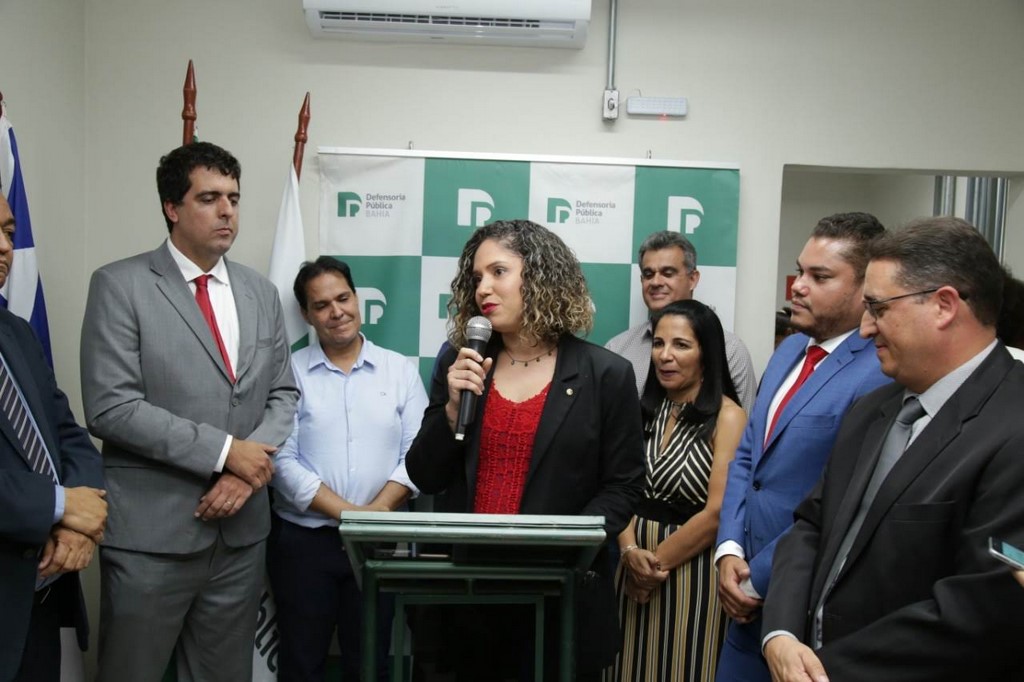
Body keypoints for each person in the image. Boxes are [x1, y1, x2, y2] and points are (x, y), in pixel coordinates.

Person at [762, 217, 1024, 681]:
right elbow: (812, 525)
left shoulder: (1014, 423)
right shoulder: (872, 409)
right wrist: (780, 634)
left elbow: (986, 606)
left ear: (944, 305)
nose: (865, 329)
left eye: (878, 308)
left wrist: (824, 670)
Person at [80, 142, 299, 681]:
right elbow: (111, 406)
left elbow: (283, 394)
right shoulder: (120, 284)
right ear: (171, 207)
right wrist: (225, 453)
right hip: (152, 537)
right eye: (209, 198)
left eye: (234, 198)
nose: (227, 211)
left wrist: (245, 473)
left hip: (241, 537)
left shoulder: (260, 292)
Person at [405, 219, 645, 680]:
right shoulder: (461, 361)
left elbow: (624, 486)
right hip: (464, 597)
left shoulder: (605, 374)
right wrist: (452, 410)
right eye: (476, 277)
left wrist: (564, 545)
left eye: (498, 272)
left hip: (558, 595)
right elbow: (425, 475)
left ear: (539, 276)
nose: (483, 288)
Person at [714, 212, 890, 682]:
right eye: (800, 271)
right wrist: (728, 548)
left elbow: (842, 498)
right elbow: (748, 456)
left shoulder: (879, 371)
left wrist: (758, 577)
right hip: (740, 601)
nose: (798, 286)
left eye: (821, 276)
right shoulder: (790, 349)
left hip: (803, 607)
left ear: (866, 288)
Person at [268, 257, 427, 681]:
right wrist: (353, 516)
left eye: (343, 298)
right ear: (306, 315)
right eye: (322, 305)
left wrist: (376, 515)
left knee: (370, 664)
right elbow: (281, 460)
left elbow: (418, 455)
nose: (336, 312)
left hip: (379, 543)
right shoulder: (289, 373)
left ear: (357, 299)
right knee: (302, 663)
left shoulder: (399, 371)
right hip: (304, 545)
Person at [606, 300, 746, 682]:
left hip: (689, 573)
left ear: (707, 354)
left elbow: (717, 512)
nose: (665, 356)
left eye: (681, 345)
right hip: (629, 562)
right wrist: (629, 553)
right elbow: (618, 487)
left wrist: (652, 567)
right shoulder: (643, 410)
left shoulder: (728, 416)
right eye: (659, 343)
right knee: (626, 669)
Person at [0, 193, 106, 681]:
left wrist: (76, 526)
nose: (6, 246)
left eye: (8, 232)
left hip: (38, 596)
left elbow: (68, 434)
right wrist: (60, 505)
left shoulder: (16, 333)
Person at [606, 231, 757, 411]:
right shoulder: (618, 349)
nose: (655, 282)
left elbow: (744, 422)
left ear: (692, 279)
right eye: (648, 274)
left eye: (667, 273)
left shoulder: (730, 349)